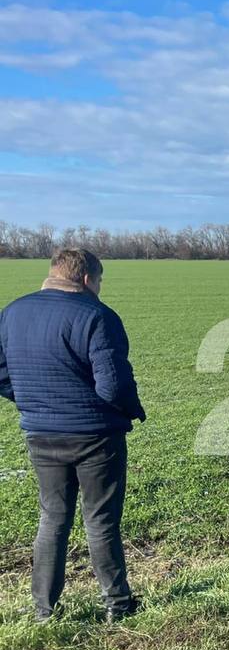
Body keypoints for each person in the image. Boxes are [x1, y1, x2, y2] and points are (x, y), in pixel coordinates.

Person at [0, 248, 146, 624]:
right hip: (95, 436)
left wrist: (34, 401)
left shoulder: (12, 312)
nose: (99, 288)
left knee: (52, 519)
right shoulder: (97, 315)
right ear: (86, 279)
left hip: (41, 434)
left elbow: (2, 374)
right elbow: (112, 385)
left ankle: (44, 610)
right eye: (99, 281)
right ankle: (117, 604)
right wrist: (132, 409)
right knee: (100, 521)